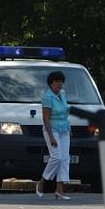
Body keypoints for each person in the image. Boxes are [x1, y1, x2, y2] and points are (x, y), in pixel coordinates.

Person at [35, 71, 71, 201]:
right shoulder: (47, 97)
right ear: (51, 83)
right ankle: (42, 181)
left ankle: (59, 190)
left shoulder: (63, 94)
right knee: (56, 157)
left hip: (64, 130)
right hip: (52, 130)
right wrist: (51, 137)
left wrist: (69, 128)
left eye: (61, 82)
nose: (59, 84)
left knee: (65, 158)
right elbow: (46, 118)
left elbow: (65, 112)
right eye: (57, 82)